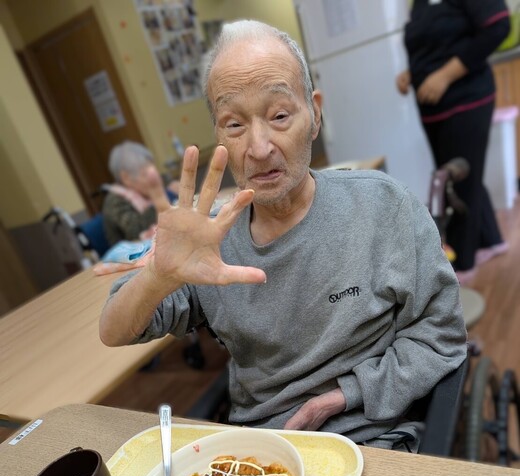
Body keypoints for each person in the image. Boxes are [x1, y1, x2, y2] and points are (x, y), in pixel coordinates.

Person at [99, 20, 467, 450]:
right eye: (234, 124)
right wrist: (158, 277)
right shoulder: (210, 236)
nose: (259, 148)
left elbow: (440, 333)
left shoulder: (383, 207)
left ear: (315, 113)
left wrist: (343, 396)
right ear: (218, 135)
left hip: (374, 438)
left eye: (279, 116)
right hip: (263, 453)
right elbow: (113, 331)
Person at [396, 0, 511, 284]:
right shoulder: (419, 3)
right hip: (434, 110)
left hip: (466, 100)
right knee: (462, 177)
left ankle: (461, 264)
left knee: (456, 184)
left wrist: (444, 76)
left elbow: (498, 26)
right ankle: (491, 240)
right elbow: (433, 44)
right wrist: (413, 73)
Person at [102, 141, 179, 248]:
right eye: (144, 174)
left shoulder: (152, 181)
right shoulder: (115, 201)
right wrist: (163, 196)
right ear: (126, 178)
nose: (153, 178)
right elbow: (135, 230)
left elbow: (165, 181)